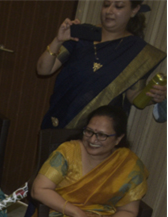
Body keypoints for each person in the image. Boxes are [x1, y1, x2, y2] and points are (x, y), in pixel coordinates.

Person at [28, 105, 153, 217]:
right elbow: (39, 189)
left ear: (118, 139)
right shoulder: (68, 152)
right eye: (89, 132)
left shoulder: (129, 163)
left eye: (102, 135)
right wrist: (78, 214)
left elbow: (129, 210)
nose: (93, 140)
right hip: (61, 216)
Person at [37, 0, 166, 129]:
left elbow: (134, 96)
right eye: (106, 5)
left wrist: (154, 96)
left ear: (134, 10)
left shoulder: (137, 51)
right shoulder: (83, 34)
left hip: (99, 133)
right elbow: (43, 70)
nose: (109, 11)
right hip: (58, 121)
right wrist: (58, 40)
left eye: (118, 6)